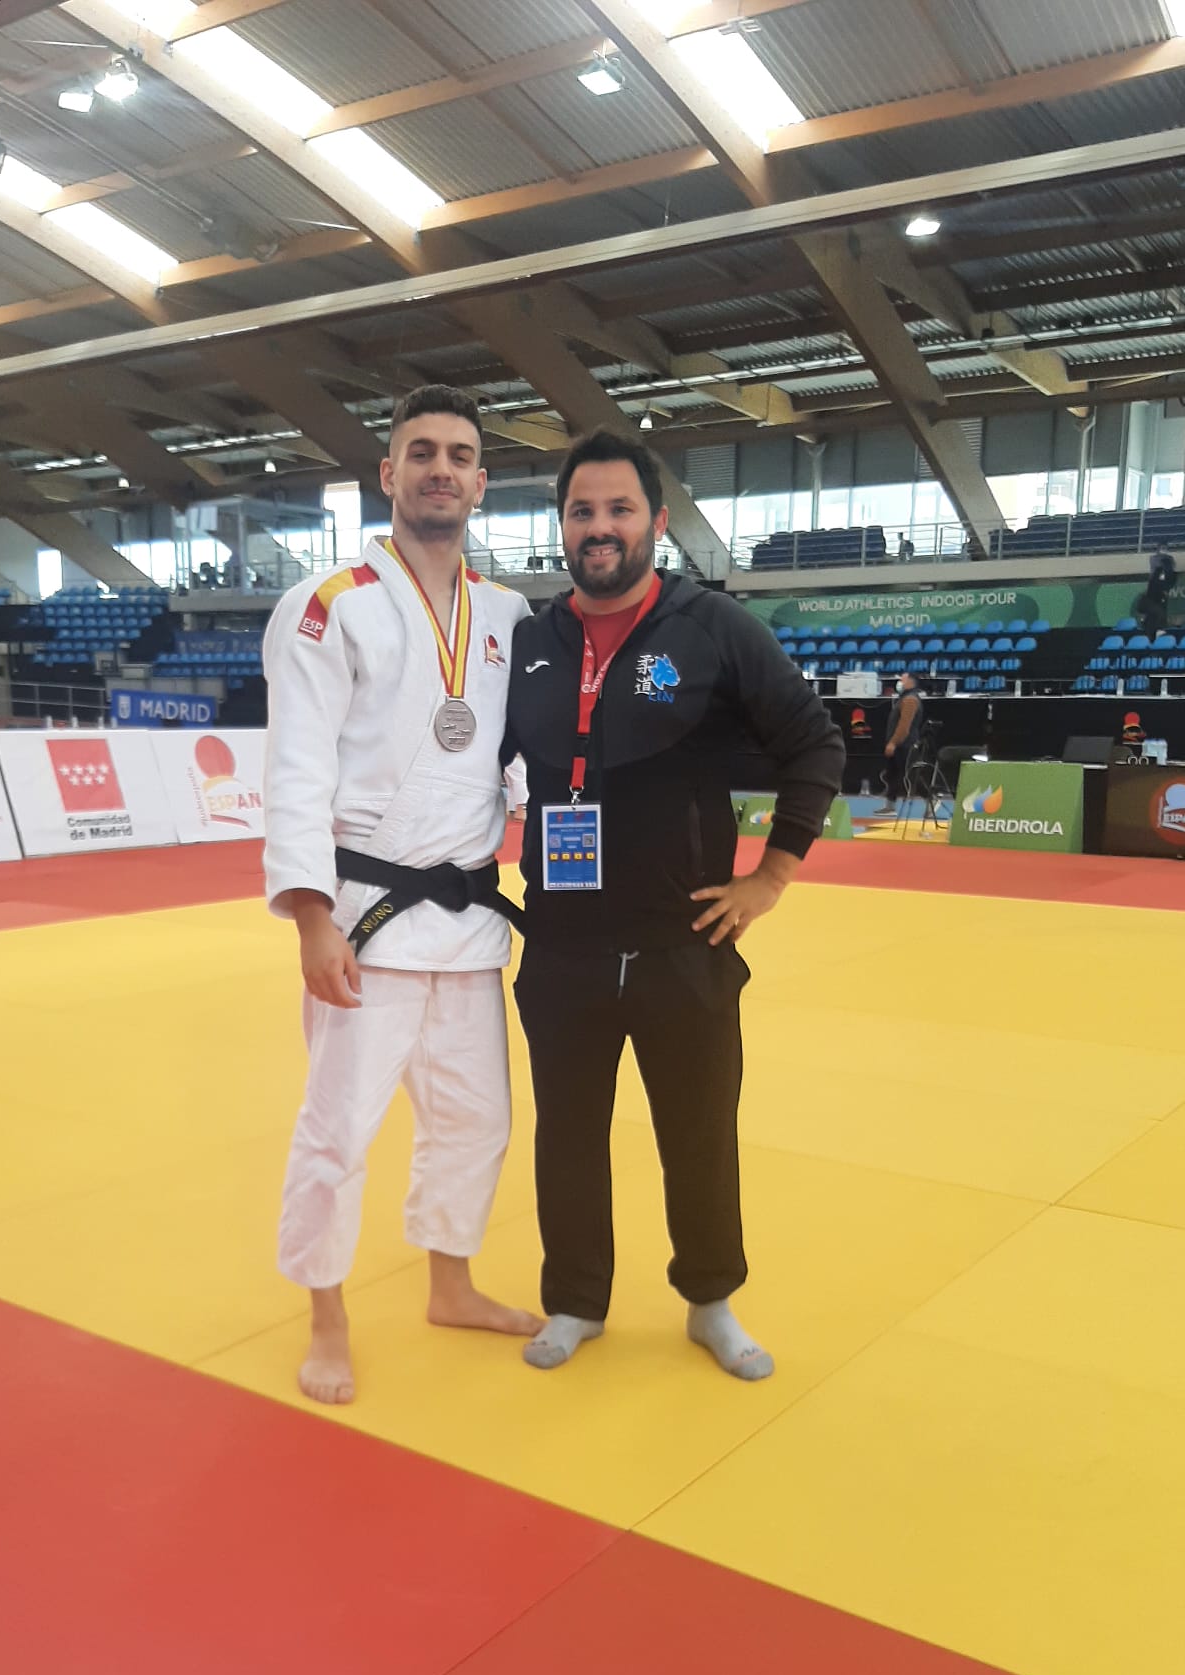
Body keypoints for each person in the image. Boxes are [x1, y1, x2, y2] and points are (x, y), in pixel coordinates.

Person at [504, 429, 844, 1381]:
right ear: (562, 525)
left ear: (655, 522)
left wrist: (770, 877)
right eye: (582, 511)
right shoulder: (529, 643)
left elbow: (814, 744)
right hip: (563, 946)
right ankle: (575, 1300)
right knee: (567, 1137)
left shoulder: (713, 629)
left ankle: (710, 1300)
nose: (600, 527)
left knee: (697, 1137)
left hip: (683, 943)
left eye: (619, 509)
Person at [263, 384, 539, 1405]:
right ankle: (326, 1318)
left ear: (481, 482)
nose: (440, 470)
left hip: (467, 920)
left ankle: (451, 1285)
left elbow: (514, 758)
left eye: (459, 456)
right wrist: (310, 915)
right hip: (365, 918)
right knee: (339, 1129)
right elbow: (297, 767)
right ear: (389, 474)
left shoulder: (508, 614)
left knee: (476, 1121)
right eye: (421, 452)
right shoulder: (330, 604)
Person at [883, 668, 924, 804]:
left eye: (902, 680)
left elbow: (904, 725)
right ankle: (890, 805)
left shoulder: (910, 700)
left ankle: (931, 799)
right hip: (901, 744)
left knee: (911, 776)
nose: (900, 682)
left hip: (905, 744)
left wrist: (893, 742)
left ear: (910, 682)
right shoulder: (904, 698)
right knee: (892, 775)